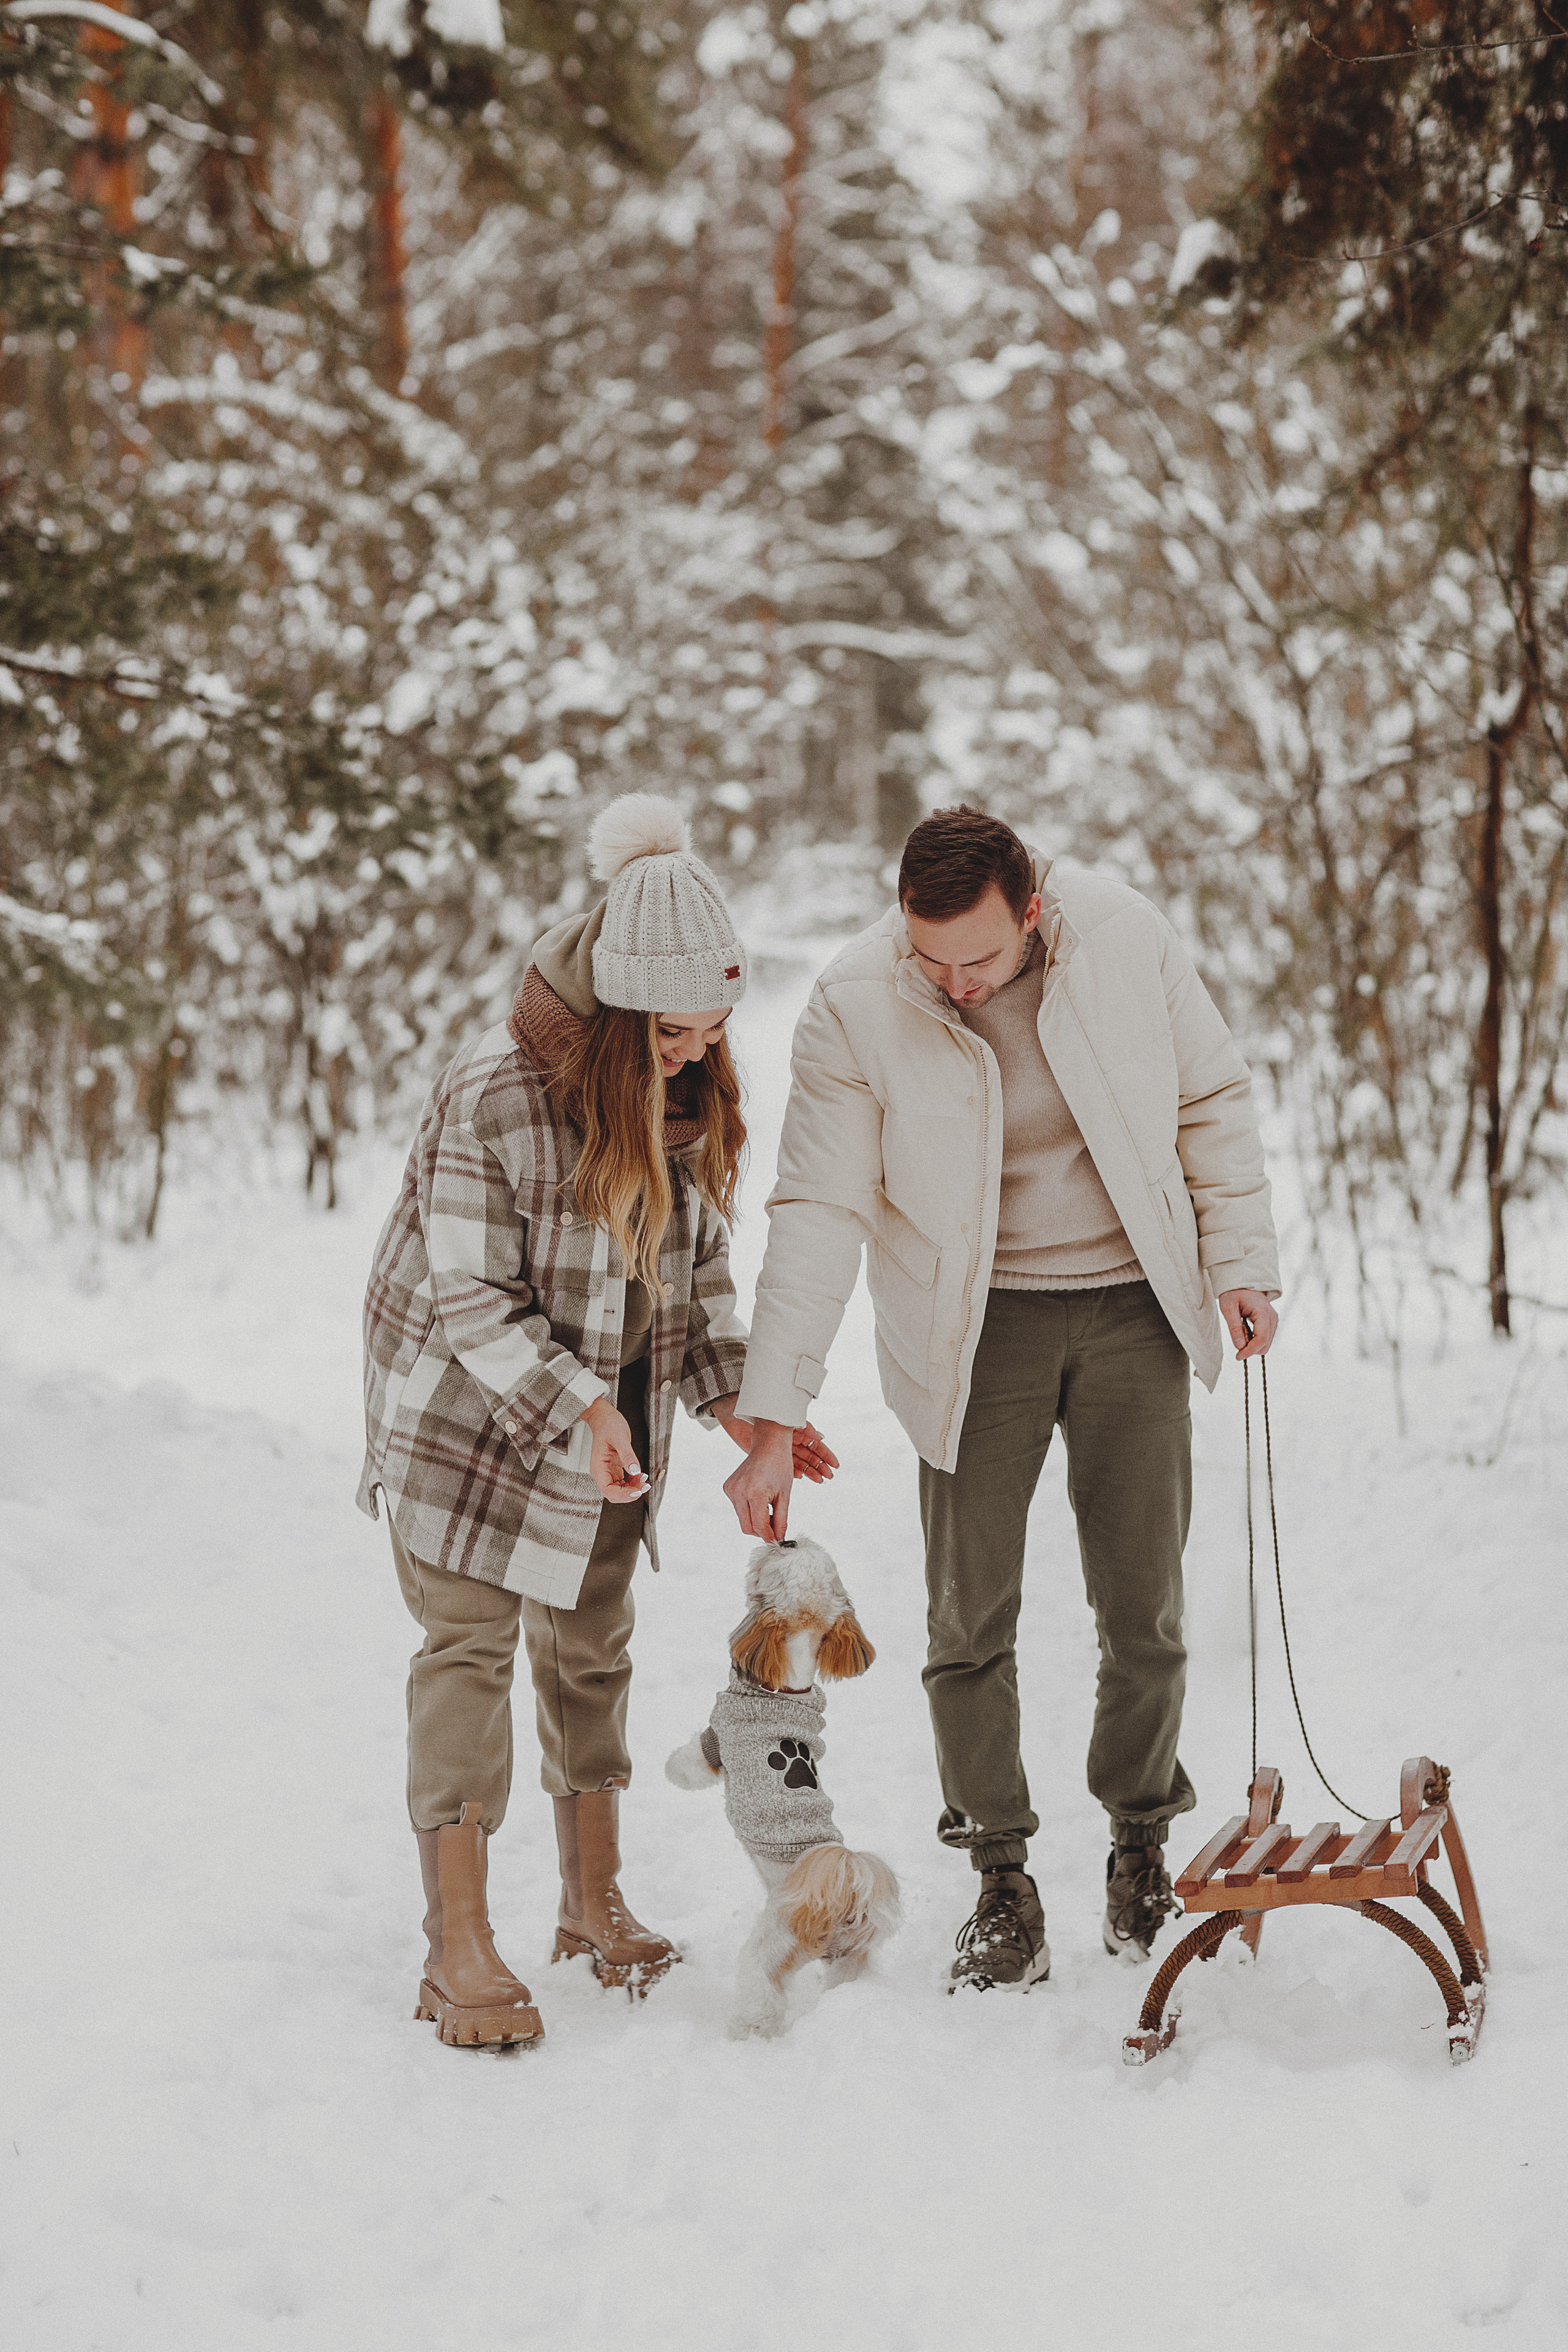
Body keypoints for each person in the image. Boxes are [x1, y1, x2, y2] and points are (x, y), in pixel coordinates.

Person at [724, 805, 1279, 1992]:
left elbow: (1209, 1100)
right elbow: (816, 1207)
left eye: (978, 959)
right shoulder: (859, 999)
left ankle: (1140, 1843)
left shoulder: (1122, 939)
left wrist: (1237, 1259)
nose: (957, 985)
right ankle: (998, 1877)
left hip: (1130, 1305)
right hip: (967, 1333)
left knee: (1144, 1610)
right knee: (966, 1620)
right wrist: (773, 1414)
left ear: (1031, 910)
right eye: (932, 961)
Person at [357, 792, 834, 2047]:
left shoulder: (676, 1091)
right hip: (466, 1420)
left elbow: (695, 1275)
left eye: (715, 1027)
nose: (696, 1049)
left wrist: (735, 1401)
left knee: (590, 1649)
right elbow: (468, 1297)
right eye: (674, 1030)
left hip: (605, 1422)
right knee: (467, 1654)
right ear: (619, 1013)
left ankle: (591, 1901)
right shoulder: (494, 1092)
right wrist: (575, 1403)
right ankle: (453, 1944)